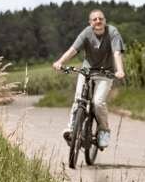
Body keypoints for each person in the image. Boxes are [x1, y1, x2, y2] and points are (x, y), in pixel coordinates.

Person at [52, 10, 126, 149]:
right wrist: (60, 62)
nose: (98, 21)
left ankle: (103, 131)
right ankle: (71, 129)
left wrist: (120, 70)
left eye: (100, 18)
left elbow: (116, 53)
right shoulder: (86, 33)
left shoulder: (112, 32)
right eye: (94, 19)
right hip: (87, 72)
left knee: (98, 102)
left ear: (105, 20)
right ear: (90, 22)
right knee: (79, 99)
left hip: (105, 73)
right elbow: (73, 50)